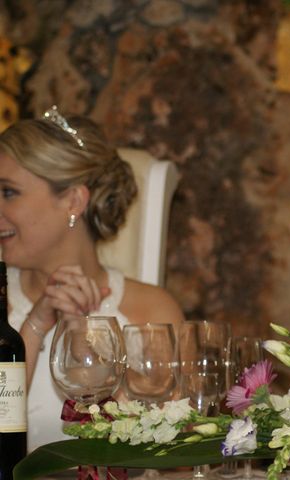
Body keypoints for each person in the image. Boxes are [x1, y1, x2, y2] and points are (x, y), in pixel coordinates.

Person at [0, 107, 185, 450]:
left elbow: (172, 452)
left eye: (8, 192)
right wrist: (34, 325)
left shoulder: (151, 312)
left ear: (72, 200)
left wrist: (84, 343)